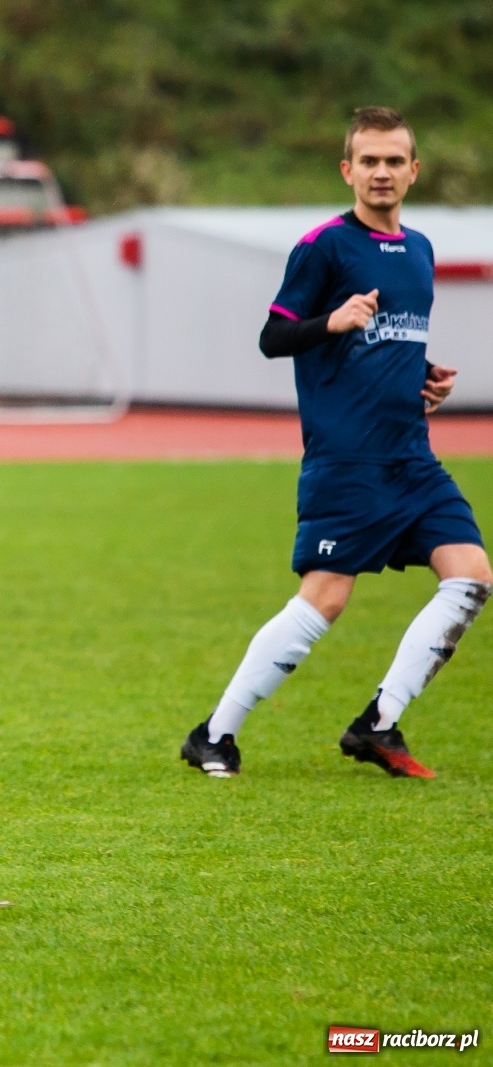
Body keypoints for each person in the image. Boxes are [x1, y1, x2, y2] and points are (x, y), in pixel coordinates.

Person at [181, 107, 489, 779]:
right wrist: (332, 319)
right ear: (348, 170)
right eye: (369, 160)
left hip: (412, 455)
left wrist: (424, 379)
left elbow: (390, 342)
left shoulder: (421, 249)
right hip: (346, 460)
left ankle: (378, 722)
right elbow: (273, 338)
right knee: (325, 599)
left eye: (394, 160)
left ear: (414, 170)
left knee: (471, 574)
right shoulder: (323, 247)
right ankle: (214, 733)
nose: (382, 172)